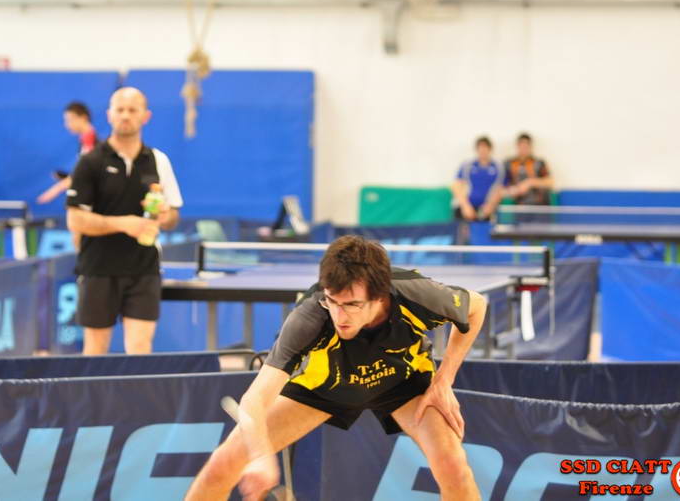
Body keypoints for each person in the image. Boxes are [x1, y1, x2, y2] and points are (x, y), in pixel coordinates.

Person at [186, 235, 487, 500]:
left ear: (380, 296)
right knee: (221, 465)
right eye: (333, 301)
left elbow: (477, 307)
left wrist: (444, 380)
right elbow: (254, 400)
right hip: (324, 386)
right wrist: (261, 455)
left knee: (454, 467)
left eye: (353, 305)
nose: (340, 317)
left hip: (403, 381)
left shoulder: (416, 294)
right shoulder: (311, 317)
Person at [65, 87, 182, 355]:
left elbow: (173, 215)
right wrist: (124, 224)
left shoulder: (158, 160)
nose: (125, 116)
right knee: (95, 351)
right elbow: (75, 219)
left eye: (132, 110)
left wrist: (166, 216)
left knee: (140, 349)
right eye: (120, 110)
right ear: (109, 115)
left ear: (145, 116)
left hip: (143, 268)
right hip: (98, 268)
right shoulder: (90, 162)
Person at [37, 101, 98, 204]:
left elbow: (85, 175)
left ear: (84, 118)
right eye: (66, 121)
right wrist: (67, 177)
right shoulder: (84, 143)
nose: (67, 125)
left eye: (70, 120)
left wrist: (56, 189)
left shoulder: (93, 144)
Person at [451, 136, 504, 221]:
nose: (482, 151)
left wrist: (490, 205)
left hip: (487, 210)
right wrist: (465, 206)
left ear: (490, 149)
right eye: (480, 148)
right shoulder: (467, 165)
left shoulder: (498, 167)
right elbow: (456, 186)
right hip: (467, 208)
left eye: (485, 148)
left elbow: (500, 189)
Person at [502, 133, 553, 205]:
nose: (523, 149)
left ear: (530, 147)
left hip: (538, 203)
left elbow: (550, 182)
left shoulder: (539, 163)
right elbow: (503, 185)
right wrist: (513, 190)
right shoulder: (509, 163)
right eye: (521, 146)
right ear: (517, 146)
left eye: (526, 146)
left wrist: (530, 183)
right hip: (517, 204)